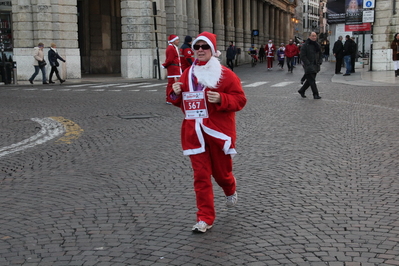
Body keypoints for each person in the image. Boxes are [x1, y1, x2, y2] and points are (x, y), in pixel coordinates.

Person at [168, 31, 247, 233]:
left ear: (212, 50)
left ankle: (230, 187)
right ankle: (205, 218)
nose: (200, 50)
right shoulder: (187, 74)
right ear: (193, 50)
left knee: (222, 174)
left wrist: (221, 99)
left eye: (205, 47)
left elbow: (240, 100)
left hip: (218, 132)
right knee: (201, 176)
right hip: (194, 133)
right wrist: (175, 94)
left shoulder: (225, 74)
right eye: (197, 47)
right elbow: (180, 102)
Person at [297, 32, 322, 99]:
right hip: (309, 65)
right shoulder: (305, 45)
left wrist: (320, 61)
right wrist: (307, 63)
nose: (314, 37)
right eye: (313, 36)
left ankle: (301, 90)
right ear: (309, 36)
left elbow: (320, 54)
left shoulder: (317, 45)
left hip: (316, 65)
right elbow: (302, 56)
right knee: (312, 80)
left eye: (315, 36)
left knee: (310, 80)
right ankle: (315, 94)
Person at [162, 34, 182, 104]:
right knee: (171, 84)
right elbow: (170, 59)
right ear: (173, 41)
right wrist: (165, 65)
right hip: (173, 69)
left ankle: (173, 98)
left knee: (174, 83)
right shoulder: (171, 48)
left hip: (175, 68)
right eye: (177, 40)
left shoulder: (173, 47)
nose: (178, 41)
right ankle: (169, 99)